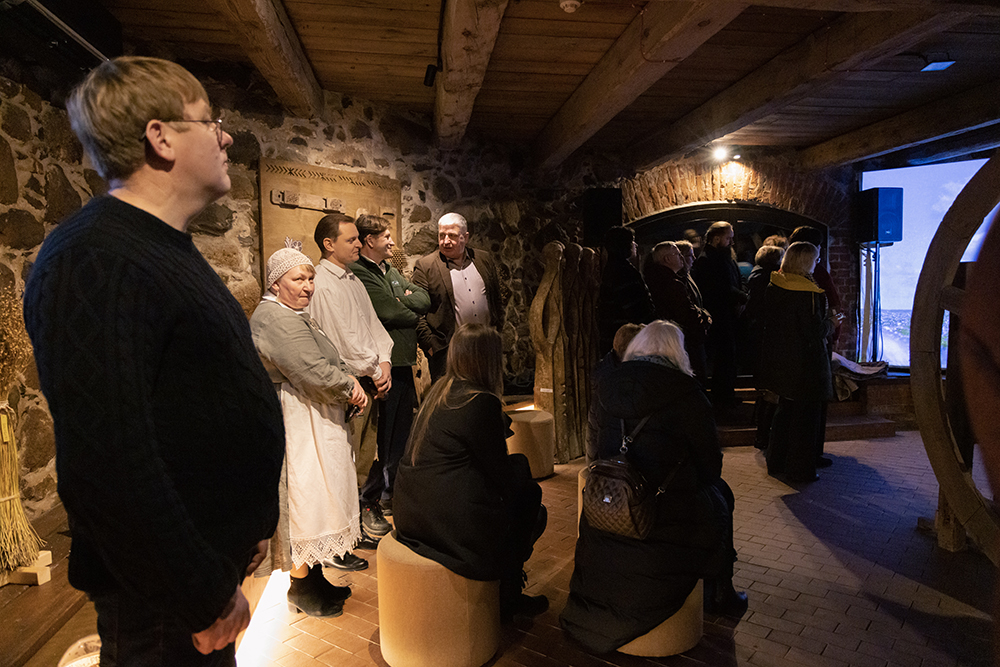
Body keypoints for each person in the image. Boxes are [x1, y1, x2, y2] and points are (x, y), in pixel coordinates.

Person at [22, 56, 285, 665]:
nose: (225, 138)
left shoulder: (154, 247)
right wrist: (201, 595)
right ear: (160, 137)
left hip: (198, 571)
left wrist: (247, 525)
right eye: (209, 122)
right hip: (164, 600)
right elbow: (108, 465)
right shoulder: (96, 257)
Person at [561, 321, 747, 654]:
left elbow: (597, 450)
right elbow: (710, 469)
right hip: (663, 522)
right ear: (678, 353)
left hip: (609, 511)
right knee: (722, 497)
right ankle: (721, 592)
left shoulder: (607, 387)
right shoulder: (688, 395)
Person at [392, 324, 548, 621]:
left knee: (519, 481)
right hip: (445, 525)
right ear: (488, 360)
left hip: (410, 513)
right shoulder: (480, 401)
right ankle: (508, 595)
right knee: (530, 498)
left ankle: (506, 583)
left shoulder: (439, 391)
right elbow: (500, 475)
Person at [250, 247, 369, 618]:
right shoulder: (274, 317)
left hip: (313, 412)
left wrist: (348, 376)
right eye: (298, 279)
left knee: (320, 497)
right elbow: (310, 370)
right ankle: (300, 586)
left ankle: (314, 576)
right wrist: (348, 387)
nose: (307, 286)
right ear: (275, 283)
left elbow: (325, 358)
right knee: (306, 498)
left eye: (310, 278)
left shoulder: (292, 313)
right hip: (297, 420)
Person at [308, 212, 395, 546]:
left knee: (364, 459)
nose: (359, 244)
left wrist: (385, 361)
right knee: (346, 461)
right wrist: (375, 370)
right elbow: (342, 340)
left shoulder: (353, 279)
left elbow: (372, 325)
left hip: (369, 378)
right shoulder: (322, 284)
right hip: (350, 384)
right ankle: (343, 534)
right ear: (329, 244)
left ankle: (356, 525)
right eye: (352, 239)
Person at [349, 214, 430, 519]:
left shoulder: (390, 270)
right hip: (382, 368)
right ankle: (373, 496)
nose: (393, 243)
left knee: (400, 433)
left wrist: (400, 302)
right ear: (370, 240)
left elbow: (424, 299)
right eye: (386, 237)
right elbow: (388, 312)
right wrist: (403, 305)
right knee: (382, 435)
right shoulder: (360, 272)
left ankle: (392, 493)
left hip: (403, 362)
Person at [757, 242, 841, 483]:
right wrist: (831, 323)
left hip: (782, 360)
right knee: (805, 418)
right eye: (815, 259)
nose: (817, 263)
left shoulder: (775, 285)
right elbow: (813, 331)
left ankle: (777, 461)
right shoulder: (807, 292)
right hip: (807, 364)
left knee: (785, 413)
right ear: (806, 261)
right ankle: (800, 468)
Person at [412, 212, 505, 382]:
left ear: (465, 237)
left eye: (452, 236)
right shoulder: (426, 266)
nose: (445, 241)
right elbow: (416, 311)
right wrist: (431, 345)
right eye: (442, 235)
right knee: (451, 395)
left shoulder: (483, 259)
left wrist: (497, 330)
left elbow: (496, 299)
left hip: (486, 345)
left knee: (488, 391)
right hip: (449, 349)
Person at [692, 221, 747, 410]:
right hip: (720, 315)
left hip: (727, 313)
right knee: (724, 356)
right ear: (716, 238)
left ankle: (726, 393)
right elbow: (719, 287)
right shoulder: (708, 260)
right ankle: (722, 396)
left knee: (728, 356)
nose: (732, 241)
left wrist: (741, 297)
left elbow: (736, 279)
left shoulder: (723, 257)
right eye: (728, 237)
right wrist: (741, 297)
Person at [643, 241, 707, 381]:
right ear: (667, 259)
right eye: (678, 254)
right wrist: (702, 319)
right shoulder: (672, 284)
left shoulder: (659, 280)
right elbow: (686, 314)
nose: (681, 258)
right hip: (681, 340)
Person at [742, 244, 784, 449]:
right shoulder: (771, 280)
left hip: (759, 335)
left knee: (766, 387)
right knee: (770, 388)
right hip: (768, 337)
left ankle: (762, 431)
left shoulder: (756, 276)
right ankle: (764, 434)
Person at [587, 323, 644, 462]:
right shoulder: (634, 381)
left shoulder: (602, 377)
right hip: (628, 459)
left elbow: (592, 431)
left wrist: (592, 465)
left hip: (606, 458)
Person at [596, 226, 654, 356]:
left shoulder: (613, 268)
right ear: (624, 245)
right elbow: (636, 308)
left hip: (617, 338)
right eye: (632, 241)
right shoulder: (623, 272)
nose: (635, 245)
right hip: (627, 340)